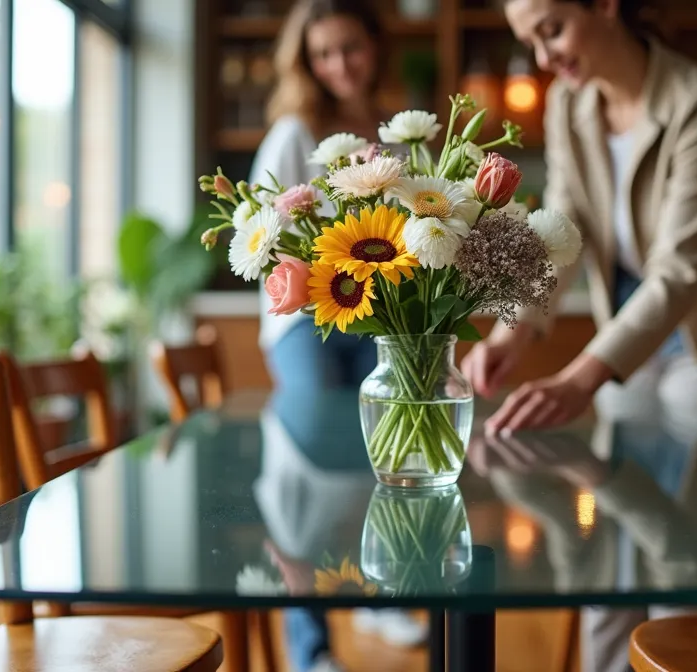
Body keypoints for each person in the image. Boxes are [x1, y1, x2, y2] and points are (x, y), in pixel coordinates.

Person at [462, 0, 697, 433]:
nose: (543, 59)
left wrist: (575, 380)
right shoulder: (567, 104)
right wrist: (508, 332)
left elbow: (681, 268)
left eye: (551, 30)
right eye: (530, 42)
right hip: (624, 320)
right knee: (625, 481)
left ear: (606, 5)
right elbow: (559, 230)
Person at [247, 2, 426, 670]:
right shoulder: (295, 133)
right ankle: (310, 647)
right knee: (304, 477)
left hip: (377, 318)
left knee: (387, 462)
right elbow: (259, 238)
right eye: (322, 54)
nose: (338, 65)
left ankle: (383, 599)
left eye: (349, 47)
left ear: (374, 46)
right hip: (305, 325)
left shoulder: (397, 133)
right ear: (306, 63)